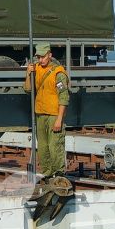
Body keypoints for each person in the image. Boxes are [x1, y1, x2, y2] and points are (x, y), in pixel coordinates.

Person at [24, 43, 69, 177]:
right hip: (40, 114)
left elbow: (64, 98)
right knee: (43, 148)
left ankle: (59, 173)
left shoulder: (58, 73)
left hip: (54, 115)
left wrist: (59, 120)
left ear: (49, 55)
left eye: (43, 57)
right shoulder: (35, 69)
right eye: (38, 57)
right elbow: (27, 89)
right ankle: (47, 173)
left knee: (55, 146)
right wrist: (28, 74)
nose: (40, 60)